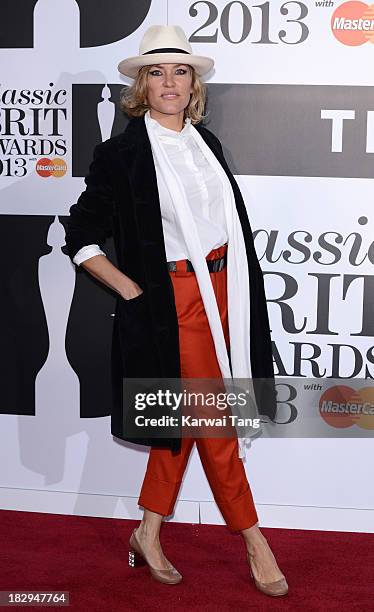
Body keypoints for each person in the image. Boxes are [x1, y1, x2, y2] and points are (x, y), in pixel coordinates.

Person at [65, 25, 288, 596]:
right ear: (143, 85)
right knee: (214, 419)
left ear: (194, 85)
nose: (170, 82)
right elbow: (82, 235)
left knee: (180, 419)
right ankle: (255, 538)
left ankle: (147, 530)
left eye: (180, 71)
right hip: (174, 302)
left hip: (227, 295)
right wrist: (132, 290)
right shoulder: (121, 154)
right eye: (157, 72)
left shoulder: (206, 146)